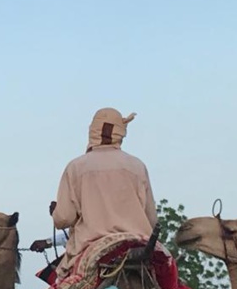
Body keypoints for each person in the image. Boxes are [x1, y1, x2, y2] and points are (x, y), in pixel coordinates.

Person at [48, 108, 156, 278]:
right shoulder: (137, 166)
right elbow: (151, 220)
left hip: (91, 252)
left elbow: (64, 218)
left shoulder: (76, 167)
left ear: (92, 131)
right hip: (138, 250)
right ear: (121, 132)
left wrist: (56, 212)